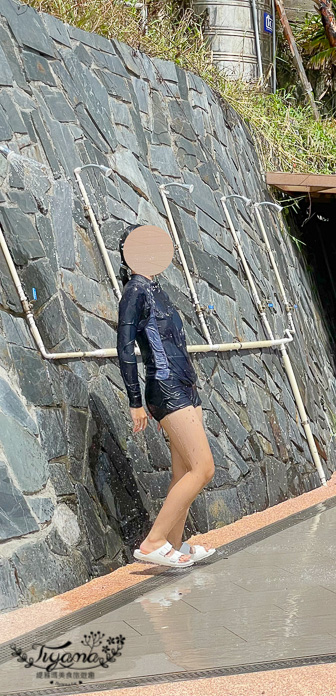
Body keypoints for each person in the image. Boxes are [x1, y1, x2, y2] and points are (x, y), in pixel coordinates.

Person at [115, 224, 216, 568]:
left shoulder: (157, 288)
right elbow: (125, 349)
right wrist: (135, 402)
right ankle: (153, 542)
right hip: (166, 387)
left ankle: (175, 544)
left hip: (184, 387)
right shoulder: (135, 290)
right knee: (203, 469)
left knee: (183, 471)